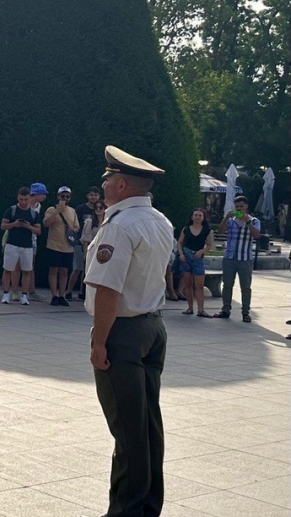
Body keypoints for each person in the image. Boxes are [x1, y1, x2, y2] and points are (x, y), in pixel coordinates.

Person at [85, 145, 173, 517]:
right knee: (148, 425)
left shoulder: (119, 226)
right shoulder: (161, 221)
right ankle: (149, 504)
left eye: (107, 179)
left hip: (122, 332)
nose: (103, 184)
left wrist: (99, 341)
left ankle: (126, 510)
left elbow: (108, 290)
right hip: (153, 326)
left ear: (121, 184)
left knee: (127, 429)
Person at [208, 195, 261, 322]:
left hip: (245, 258)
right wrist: (226, 217)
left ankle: (245, 312)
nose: (239, 209)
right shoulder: (231, 221)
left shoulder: (254, 221)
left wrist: (247, 221)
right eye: (237, 207)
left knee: (245, 287)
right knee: (227, 285)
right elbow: (220, 232)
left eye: (241, 206)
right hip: (229, 257)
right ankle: (225, 310)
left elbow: (257, 235)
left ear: (246, 207)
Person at [0, 186, 41, 305]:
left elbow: (38, 231)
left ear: (29, 198)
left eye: (25, 199)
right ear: (18, 197)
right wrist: (14, 224)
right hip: (12, 244)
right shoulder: (11, 210)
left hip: (27, 245)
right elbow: (3, 226)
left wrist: (28, 226)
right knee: (8, 269)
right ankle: (6, 293)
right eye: (21, 199)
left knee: (27, 270)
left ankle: (24, 295)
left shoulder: (33, 214)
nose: (23, 202)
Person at [43, 186, 80, 306]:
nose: (65, 198)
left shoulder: (72, 211)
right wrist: (57, 211)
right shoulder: (51, 209)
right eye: (62, 196)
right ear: (58, 197)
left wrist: (72, 229)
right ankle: (54, 295)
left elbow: (77, 227)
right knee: (53, 270)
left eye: (67, 196)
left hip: (67, 246)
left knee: (64, 271)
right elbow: (46, 223)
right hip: (54, 245)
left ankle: (61, 295)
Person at [176, 209, 212, 317]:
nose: (197, 217)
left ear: (203, 217)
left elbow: (209, 244)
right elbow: (179, 242)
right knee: (188, 284)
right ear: (192, 217)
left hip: (198, 258)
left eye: (200, 215)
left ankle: (201, 310)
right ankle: (190, 307)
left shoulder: (206, 230)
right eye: (195, 215)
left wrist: (202, 251)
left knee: (199, 285)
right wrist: (181, 254)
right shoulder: (186, 229)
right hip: (186, 256)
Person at [68, 186, 101, 300]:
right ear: (87, 196)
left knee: (88, 270)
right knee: (78, 267)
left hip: (94, 242)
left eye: (96, 195)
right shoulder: (81, 209)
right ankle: (69, 291)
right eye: (91, 194)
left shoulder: (100, 209)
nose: (93, 197)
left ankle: (83, 292)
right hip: (79, 241)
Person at [24, 182, 49, 301]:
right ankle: (16, 291)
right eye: (43, 194)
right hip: (21, 237)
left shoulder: (38, 205)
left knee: (31, 265)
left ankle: (31, 291)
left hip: (32, 238)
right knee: (19, 266)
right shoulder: (24, 204)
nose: (45, 196)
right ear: (36, 194)